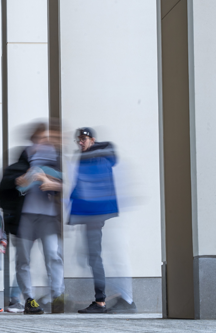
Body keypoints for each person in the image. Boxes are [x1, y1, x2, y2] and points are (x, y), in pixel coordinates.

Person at [70, 127, 136, 314]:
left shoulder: (97, 156)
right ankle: (111, 300)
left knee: (97, 258)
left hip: (97, 214)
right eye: (78, 139)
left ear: (93, 139)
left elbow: (90, 186)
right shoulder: (92, 156)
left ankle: (104, 302)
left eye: (83, 138)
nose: (80, 142)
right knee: (93, 258)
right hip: (95, 215)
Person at [1, 122, 65, 315]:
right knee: (23, 260)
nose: (43, 142)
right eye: (40, 138)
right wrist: (18, 181)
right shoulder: (23, 157)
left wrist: (53, 184)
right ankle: (29, 299)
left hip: (49, 217)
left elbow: (69, 184)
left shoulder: (57, 158)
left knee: (53, 256)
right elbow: (7, 183)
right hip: (25, 216)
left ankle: (57, 296)